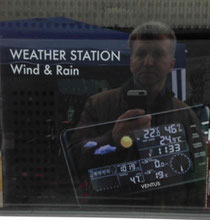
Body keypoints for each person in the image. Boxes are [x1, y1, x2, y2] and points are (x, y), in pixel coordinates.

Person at [68, 21, 207, 206]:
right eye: (141, 54)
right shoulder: (98, 104)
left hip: (166, 215)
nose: (148, 62)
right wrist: (112, 140)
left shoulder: (185, 115)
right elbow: (73, 159)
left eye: (157, 54)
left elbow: (199, 179)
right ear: (131, 62)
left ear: (171, 64)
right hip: (110, 213)